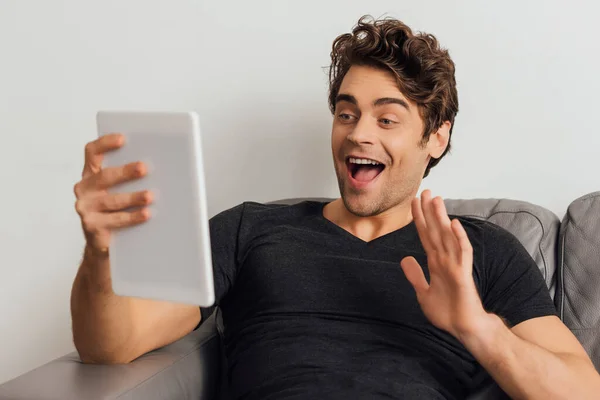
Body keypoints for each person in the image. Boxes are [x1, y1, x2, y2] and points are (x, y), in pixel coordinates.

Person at [70, 15, 600, 400]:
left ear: (436, 138)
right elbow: (110, 346)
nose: (358, 134)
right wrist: (100, 252)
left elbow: (581, 391)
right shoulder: (251, 230)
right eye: (346, 114)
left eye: (386, 119)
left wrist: (477, 327)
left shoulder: (482, 250)